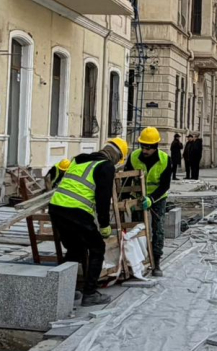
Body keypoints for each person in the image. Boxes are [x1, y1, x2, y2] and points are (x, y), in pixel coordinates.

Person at [48, 137, 129, 306]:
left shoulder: (79, 159)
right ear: (117, 157)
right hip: (76, 211)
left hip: (56, 207)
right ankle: (90, 293)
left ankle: (60, 291)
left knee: (75, 249)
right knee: (97, 248)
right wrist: (105, 225)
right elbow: (103, 199)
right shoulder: (105, 167)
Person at [128, 127, 172, 276]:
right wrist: (127, 199)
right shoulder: (133, 157)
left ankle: (156, 261)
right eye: (143, 147)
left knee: (157, 228)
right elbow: (126, 179)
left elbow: (165, 185)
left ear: (156, 146)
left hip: (157, 198)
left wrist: (152, 199)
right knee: (137, 229)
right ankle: (139, 261)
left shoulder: (165, 160)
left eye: (148, 148)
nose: (145, 151)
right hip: (138, 197)